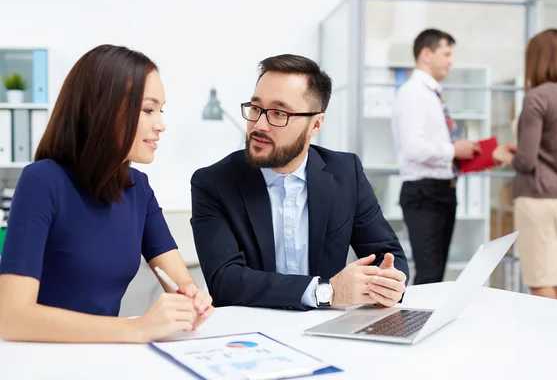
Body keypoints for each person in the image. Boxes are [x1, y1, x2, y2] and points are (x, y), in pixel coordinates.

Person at [0, 44, 213, 342]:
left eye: (160, 110)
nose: (161, 124)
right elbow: (12, 317)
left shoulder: (139, 189)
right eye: (148, 109)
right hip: (42, 358)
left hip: (103, 356)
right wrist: (137, 328)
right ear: (99, 109)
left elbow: (182, 284)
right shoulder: (42, 181)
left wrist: (194, 304)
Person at [191, 54, 409, 310]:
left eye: (279, 113)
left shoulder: (345, 173)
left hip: (326, 330)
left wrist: (389, 284)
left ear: (315, 124)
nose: (259, 124)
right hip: (254, 331)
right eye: (255, 108)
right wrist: (325, 292)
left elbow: (387, 255)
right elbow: (224, 282)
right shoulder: (214, 182)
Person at [493, 29, 557, 300]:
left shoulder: (536, 98)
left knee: (539, 282)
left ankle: (548, 342)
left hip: (537, 200)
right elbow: (556, 148)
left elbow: (526, 162)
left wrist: (503, 155)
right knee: (553, 278)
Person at [392, 29, 480, 285]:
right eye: (447, 54)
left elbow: (431, 145)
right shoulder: (413, 92)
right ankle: (416, 324)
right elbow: (413, 148)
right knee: (429, 275)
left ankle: (429, 323)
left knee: (437, 275)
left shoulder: (431, 92)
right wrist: (453, 151)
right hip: (424, 193)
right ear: (427, 54)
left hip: (441, 191)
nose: (451, 61)